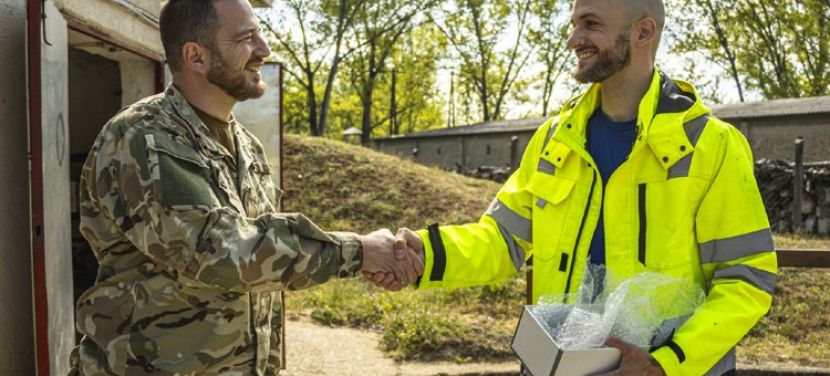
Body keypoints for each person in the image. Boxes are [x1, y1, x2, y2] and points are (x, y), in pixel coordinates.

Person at [375, 0, 778, 374]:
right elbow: (501, 240)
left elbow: (746, 280)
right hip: (557, 363)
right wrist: (423, 254)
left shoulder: (712, 144)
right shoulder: (556, 138)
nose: (573, 40)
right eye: (573, 25)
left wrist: (666, 364)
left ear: (642, 32)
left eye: (591, 24)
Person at [68, 0, 422, 374]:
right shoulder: (143, 137)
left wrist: (377, 256)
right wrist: (360, 253)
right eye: (246, 38)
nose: (264, 49)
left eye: (260, 33)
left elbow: (262, 259)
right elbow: (218, 251)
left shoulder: (247, 146)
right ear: (196, 56)